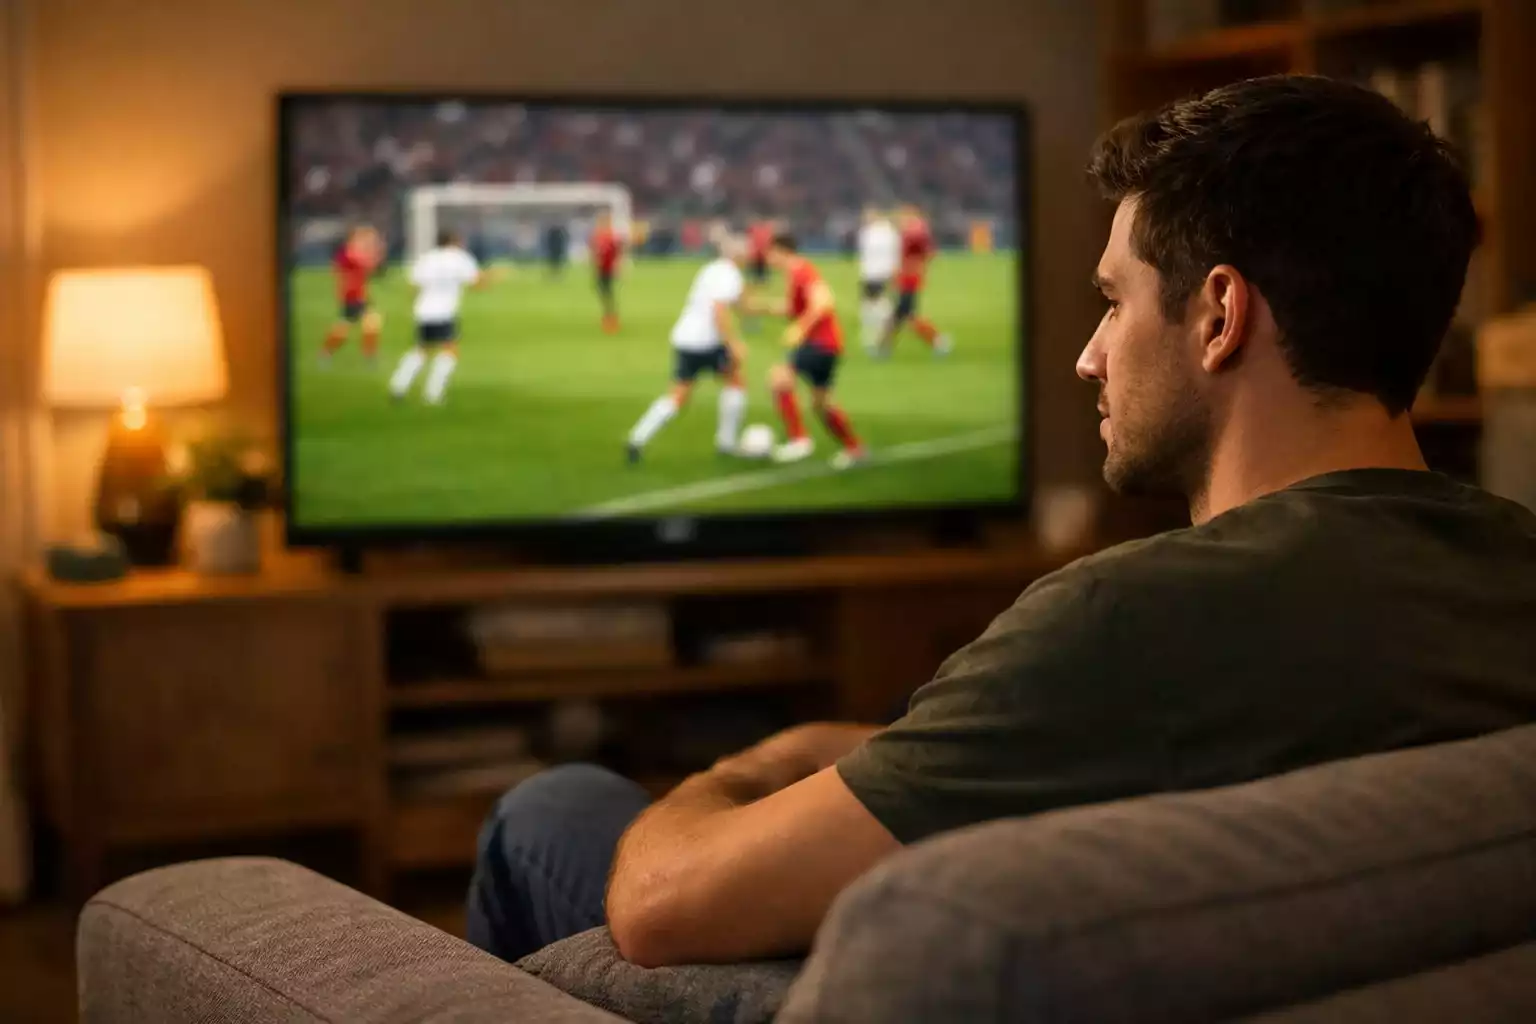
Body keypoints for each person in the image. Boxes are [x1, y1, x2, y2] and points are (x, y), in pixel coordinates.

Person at [465, 75, 1536, 971]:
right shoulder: (1511, 569)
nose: (1087, 355)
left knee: (557, 807)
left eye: (1113, 302)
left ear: (1219, 316)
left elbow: (662, 906)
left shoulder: (1125, 615)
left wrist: (745, 770)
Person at [626, 234, 750, 462]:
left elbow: (739, 303)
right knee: (736, 383)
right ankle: (727, 443)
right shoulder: (730, 274)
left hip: (685, 337)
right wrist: (733, 343)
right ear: (739, 254)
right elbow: (719, 309)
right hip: (707, 341)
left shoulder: (712, 269)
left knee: (677, 396)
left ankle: (638, 437)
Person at [749, 232, 865, 468]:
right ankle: (855, 449)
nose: (767, 259)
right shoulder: (795, 272)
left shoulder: (801, 270)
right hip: (827, 344)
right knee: (821, 403)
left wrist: (800, 329)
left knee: (779, 379)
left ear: (781, 251)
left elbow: (824, 301)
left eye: (770, 254)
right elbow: (794, 308)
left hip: (819, 342)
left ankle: (799, 440)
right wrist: (762, 307)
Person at [388, 229, 494, 405]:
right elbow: (476, 284)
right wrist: (492, 276)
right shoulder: (460, 258)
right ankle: (433, 394)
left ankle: (398, 386)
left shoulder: (427, 258)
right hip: (445, 311)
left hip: (423, 311)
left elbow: (414, 285)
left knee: (422, 349)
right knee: (449, 350)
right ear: (455, 240)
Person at [874, 204, 952, 357]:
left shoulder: (915, 232)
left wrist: (916, 267)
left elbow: (929, 252)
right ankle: (883, 347)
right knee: (899, 316)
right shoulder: (910, 232)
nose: (900, 219)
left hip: (910, 280)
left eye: (904, 216)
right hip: (906, 279)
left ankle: (938, 341)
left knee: (908, 316)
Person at [320, 225, 384, 365]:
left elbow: (372, 269)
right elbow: (366, 265)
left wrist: (375, 252)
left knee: (370, 323)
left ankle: (368, 356)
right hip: (352, 296)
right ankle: (326, 353)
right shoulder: (349, 253)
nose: (368, 241)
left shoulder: (351, 252)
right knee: (346, 327)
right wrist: (377, 252)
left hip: (360, 295)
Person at [856, 206, 901, 351]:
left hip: (877, 274)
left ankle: (876, 336)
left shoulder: (877, 233)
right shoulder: (876, 232)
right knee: (872, 305)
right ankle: (875, 336)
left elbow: (894, 253)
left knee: (876, 305)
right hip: (873, 274)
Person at [591, 211, 624, 333]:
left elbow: (618, 253)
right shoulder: (598, 237)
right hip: (600, 270)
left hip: (608, 270)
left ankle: (611, 318)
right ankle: (607, 316)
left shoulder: (611, 238)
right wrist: (594, 266)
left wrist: (619, 266)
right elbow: (595, 254)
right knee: (602, 294)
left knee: (609, 293)